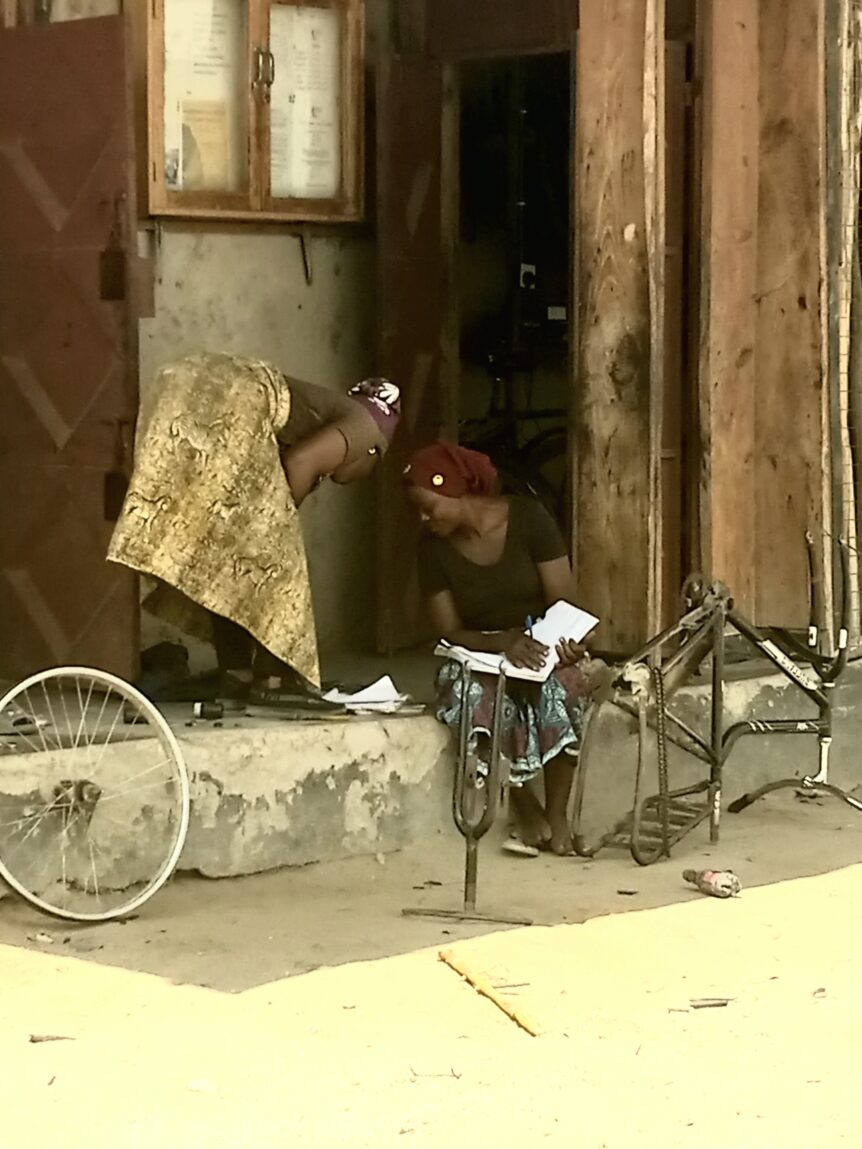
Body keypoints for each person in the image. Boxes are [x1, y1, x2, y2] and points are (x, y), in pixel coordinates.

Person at [108, 351, 400, 707]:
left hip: (178, 381)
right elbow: (301, 461)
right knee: (273, 559)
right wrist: (278, 526)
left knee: (228, 552)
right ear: (374, 451)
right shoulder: (368, 424)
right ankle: (272, 678)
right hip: (231, 395)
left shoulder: (314, 416)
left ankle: (235, 672)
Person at [403, 440, 591, 856]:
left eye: (428, 506)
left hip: (536, 641)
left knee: (566, 685)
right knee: (468, 693)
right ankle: (521, 797)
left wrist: (564, 644)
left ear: (453, 490)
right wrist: (500, 643)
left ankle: (558, 812)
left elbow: (563, 602)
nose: (423, 517)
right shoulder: (431, 549)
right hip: (479, 650)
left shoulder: (528, 520)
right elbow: (450, 631)